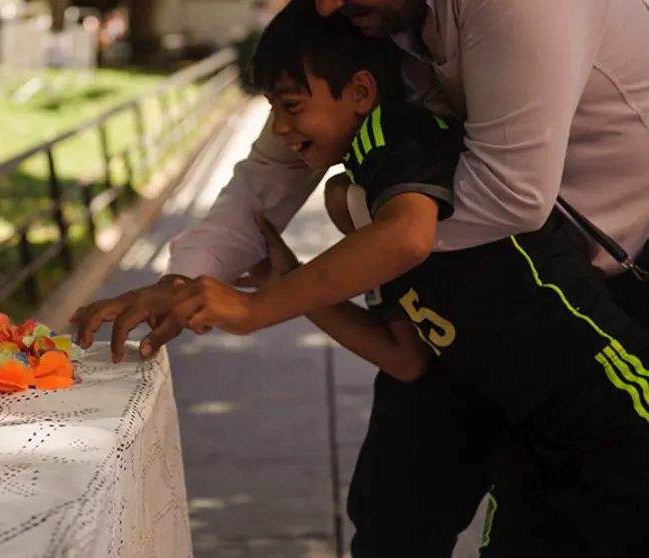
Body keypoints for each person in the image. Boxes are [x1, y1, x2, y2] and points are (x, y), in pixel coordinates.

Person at [70, 0, 649, 556]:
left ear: (363, 94)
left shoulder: (403, 137)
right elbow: (404, 351)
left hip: (597, 341)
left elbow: (485, 206)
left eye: (290, 107)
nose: (324, 6)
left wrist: (275, 290)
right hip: (494, 358)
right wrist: (185, 282)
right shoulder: (364, 44)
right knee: (393, 519)